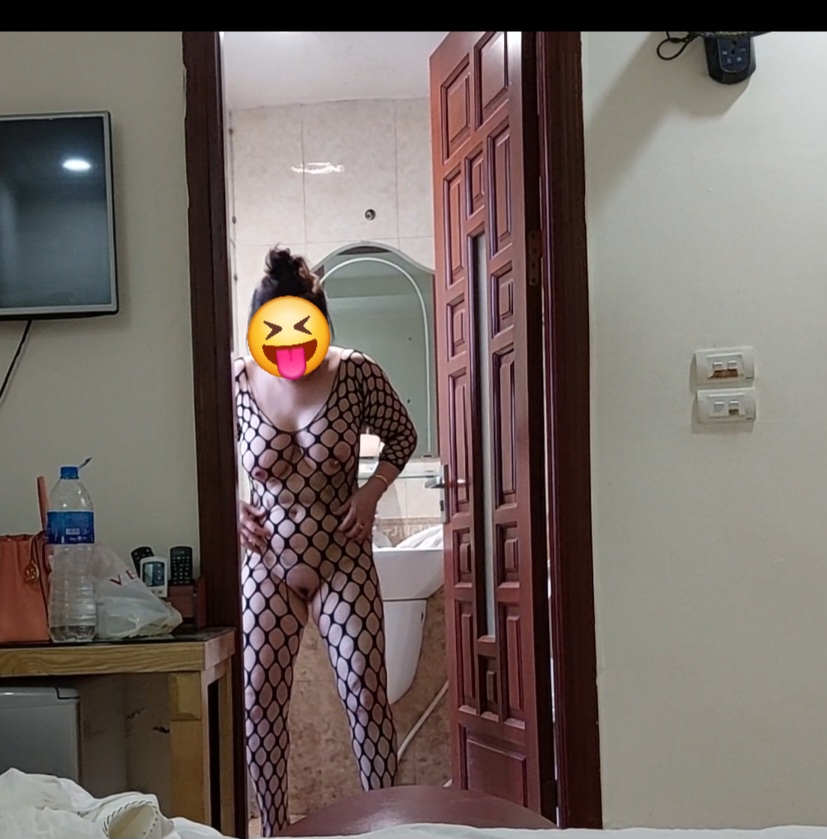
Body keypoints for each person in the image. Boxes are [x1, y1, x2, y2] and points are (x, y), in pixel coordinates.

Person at [233, 246, 417, 835]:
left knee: (365, 694)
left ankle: (386, 826)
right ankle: (272, 828)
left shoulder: (355, 372)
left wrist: (371, 493)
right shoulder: (235, 379)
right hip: (266, 561)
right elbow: (198, 454)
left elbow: (402, 436)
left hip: (343, 558)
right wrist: (229, 508)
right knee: (257, 700)